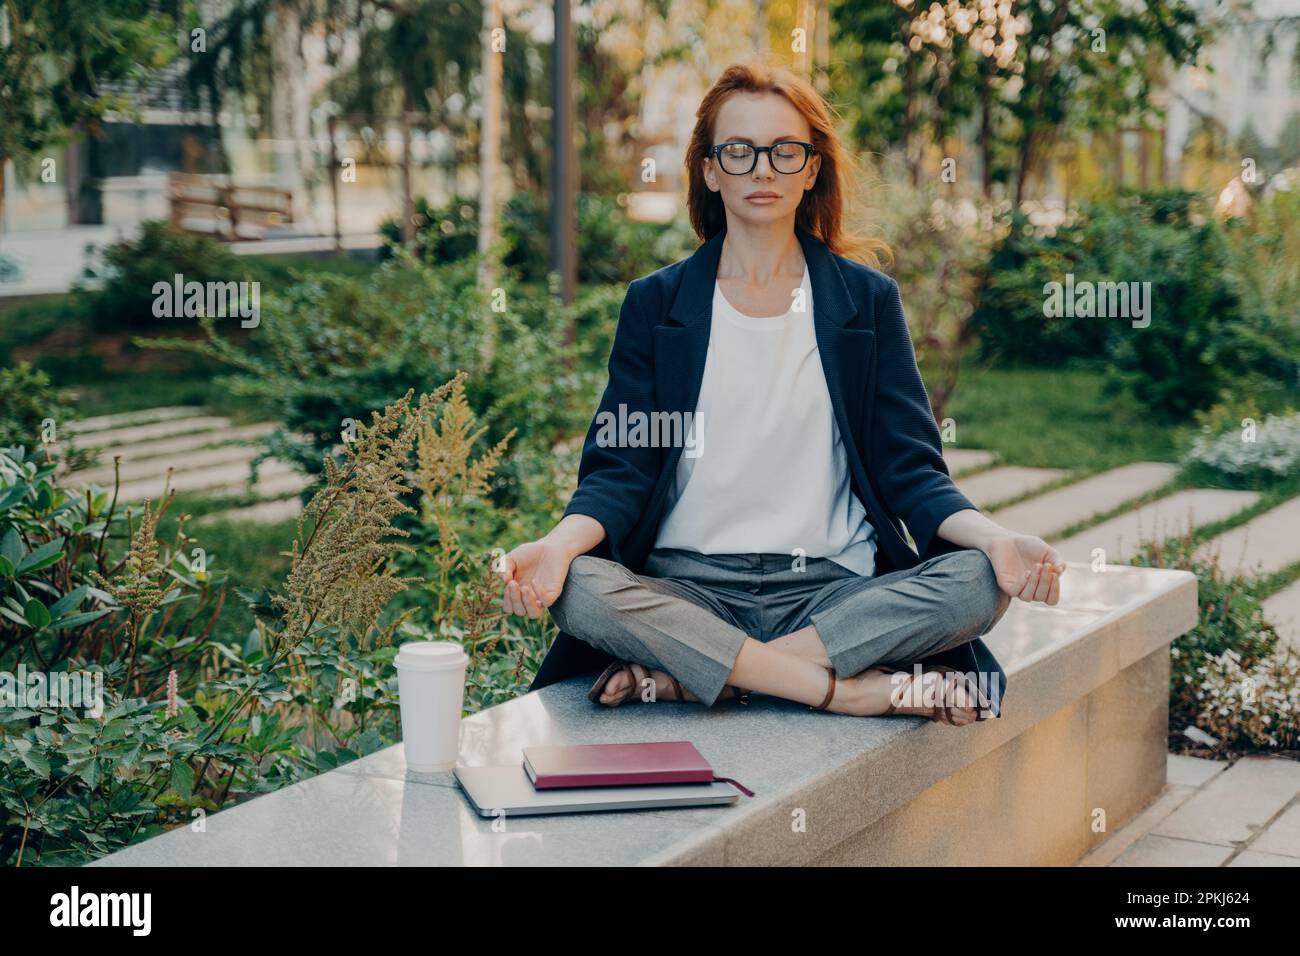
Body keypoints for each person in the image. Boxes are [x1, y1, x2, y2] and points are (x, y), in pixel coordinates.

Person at [497, 62, 1065, 726]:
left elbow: (910, 470)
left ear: (810, 168)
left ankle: (721, 673)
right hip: (688, 591)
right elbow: (619, 470)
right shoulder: (657, 304)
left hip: (829, 596)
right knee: (583, 590)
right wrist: (560, 546)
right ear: (709, 169)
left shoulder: (865, 303)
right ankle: (841, 690)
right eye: (738, 151)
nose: (762, 170)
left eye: (783, 151)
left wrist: (997, 540)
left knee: (975, 582)